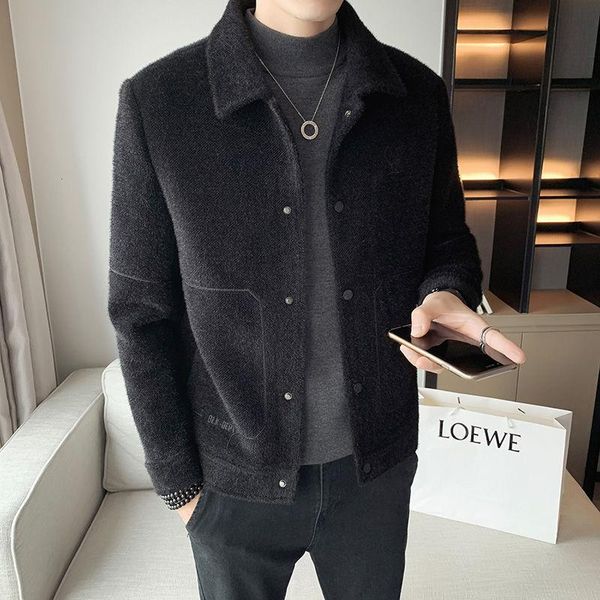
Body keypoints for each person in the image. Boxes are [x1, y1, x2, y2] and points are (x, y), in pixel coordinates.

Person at [107, 0, 527, 598]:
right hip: (232, 482)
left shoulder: (416, 96)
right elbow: (140, 314)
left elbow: (447, 243)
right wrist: (178, 485)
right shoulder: (160, 102)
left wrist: (445, 292)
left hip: (376, 472)